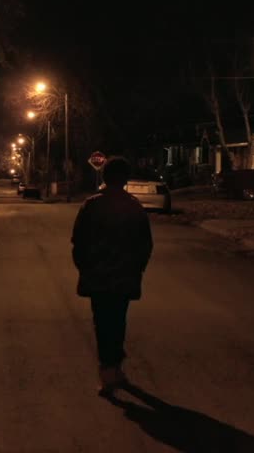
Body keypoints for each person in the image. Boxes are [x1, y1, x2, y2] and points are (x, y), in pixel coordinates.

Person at [71, 156, 154, 392]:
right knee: (118, 321)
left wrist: (85, 268)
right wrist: (137, 269)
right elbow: (145, 244)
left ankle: (108, 370)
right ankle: (114, 367)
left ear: (105, 177)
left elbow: (78, 241)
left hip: (98, 276)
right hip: (124, 276)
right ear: (125, 179)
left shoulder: (91, 205)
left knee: (102, 322)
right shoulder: (133, 206)